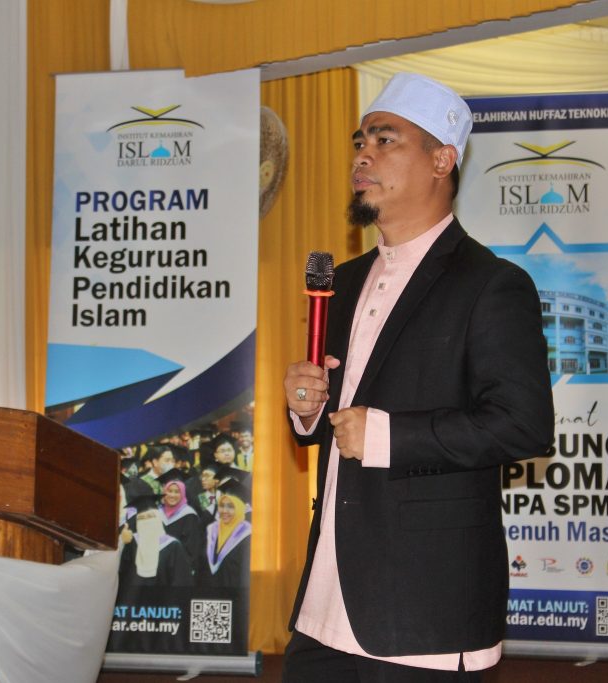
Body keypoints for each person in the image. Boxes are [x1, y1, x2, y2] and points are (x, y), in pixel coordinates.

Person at [281, 72, 553, 682]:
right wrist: (307, 409)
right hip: (327, 596)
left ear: (441, 160)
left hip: (425, 605)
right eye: (360, 142)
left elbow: (524, 425)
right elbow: (335, 421)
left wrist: (387, 436)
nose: (363, 156)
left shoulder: (492, 285)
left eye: (385, 140)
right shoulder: (344, 281)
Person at [197, 480, 252, 588]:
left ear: (240, 508)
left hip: (233, 594)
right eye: (222, 505)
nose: (224, 511)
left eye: (231, 506)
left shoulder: (247, 535)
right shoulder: (211, 530)